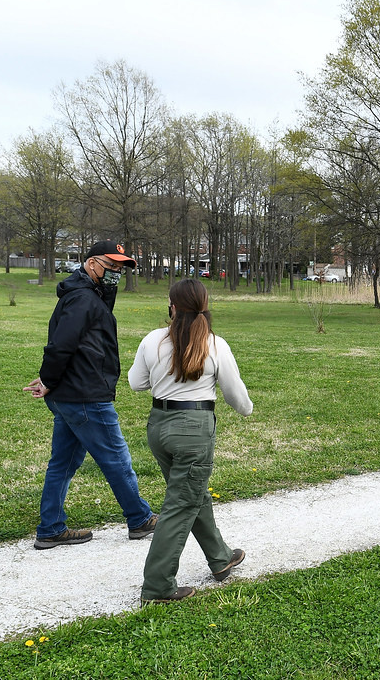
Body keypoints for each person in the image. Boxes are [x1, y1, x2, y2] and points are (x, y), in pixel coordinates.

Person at [24, 241, 158, 549]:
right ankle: (140, 519)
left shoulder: (88, 296)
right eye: (111, 266)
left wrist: (51, 381)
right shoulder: (83, 299)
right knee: (116, 459)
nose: (116, 273)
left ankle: (51, 528)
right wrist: (47, 379)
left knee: (63, 462)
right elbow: (61, 345)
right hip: (85, 395)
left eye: (120, 268)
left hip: (72, 393)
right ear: (90, 263)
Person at [128, 278, 252, 603]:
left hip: (158, 427)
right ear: (205, 305)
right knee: (180, 503)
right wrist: (247, 409)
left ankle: (221, 557)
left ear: (171, 306)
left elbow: (136, 383)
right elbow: (235, 395)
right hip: (193, 430)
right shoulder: (214, 344)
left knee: (190, 493)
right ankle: (156, 586)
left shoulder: (153, 340)